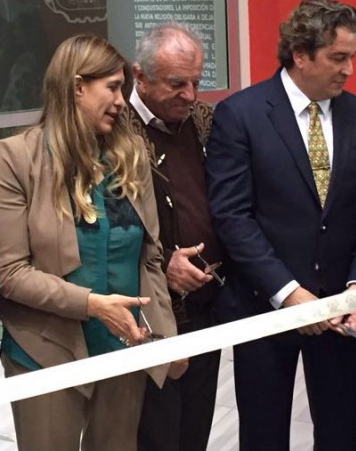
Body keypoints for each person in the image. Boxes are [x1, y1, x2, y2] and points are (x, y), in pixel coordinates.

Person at [206, 0, 356, 451]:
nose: (350, 70)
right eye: (338, 57)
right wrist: (288, 293)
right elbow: (232, 214)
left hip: (342, 305)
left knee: (340, 431)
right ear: (300, 55)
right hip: (265, 304)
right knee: (264, 433)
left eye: (353, 56)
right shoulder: (241, 115)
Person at [0, 34, 179, 451]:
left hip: (124, 345)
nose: (122, 101)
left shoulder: (131, 155)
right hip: (45, 351)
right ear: (77, 87)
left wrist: (166, 335)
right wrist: (93, 305)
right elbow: (10, 272)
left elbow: (150, 258)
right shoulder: (17, 157)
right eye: (112, 87)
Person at [125, 24, 224, 451]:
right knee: (157, 430)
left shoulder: (203, 121)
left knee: (195, 426)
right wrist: (163, 262)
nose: (190, 94)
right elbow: (102, 223)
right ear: (140, 77)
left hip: (205, 303)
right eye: (177, 83)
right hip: (147, 308)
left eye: (196, 82)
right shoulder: (114, 129)